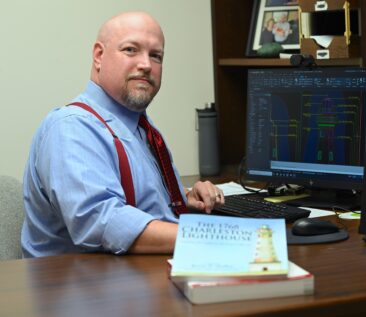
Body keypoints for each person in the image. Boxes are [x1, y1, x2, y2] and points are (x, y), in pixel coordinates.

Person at [21, 11, 225, 258]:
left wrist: (184, 198)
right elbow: (102, 221)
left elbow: (137, 200)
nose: (146, 65)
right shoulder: (71, 127)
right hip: (82, 290)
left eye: (156, 56)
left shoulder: (139, 128)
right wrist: (216, 235)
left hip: (135, 275)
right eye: (131, 50)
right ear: (99, 56)